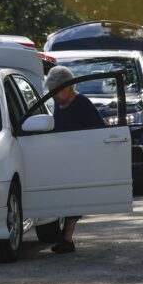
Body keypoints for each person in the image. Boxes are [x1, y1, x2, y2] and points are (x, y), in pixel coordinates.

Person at [43, 65, 106, 254]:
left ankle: (67, 238)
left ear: (68, 87)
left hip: (79, 158)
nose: (54, 95)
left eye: (57, 91)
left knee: (73, 196)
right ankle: (62, 236)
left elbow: (99, 130)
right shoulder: (57, 104)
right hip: (61, 157)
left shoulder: (82, 103)